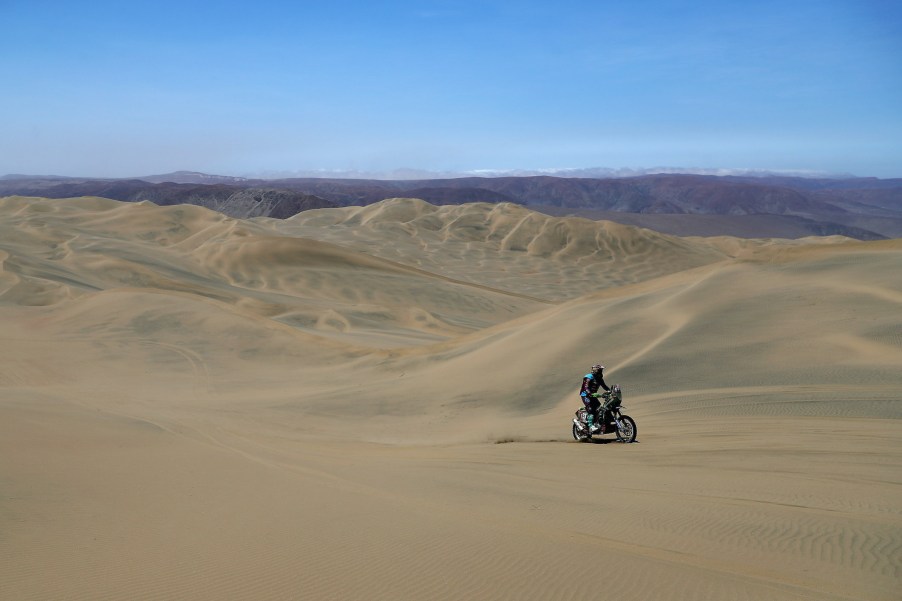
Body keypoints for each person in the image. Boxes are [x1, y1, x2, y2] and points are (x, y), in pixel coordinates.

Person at [580, 363, 611, 433]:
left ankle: (598, 423)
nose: (601, 372)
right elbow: (586, 386)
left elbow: (604, 386)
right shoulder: (588, 377)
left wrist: (610, 391)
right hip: (585, 395)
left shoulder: (599, 378)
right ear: (595, 371)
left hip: (593, 395)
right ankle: (591, 426)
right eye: (599, 370)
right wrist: (589, 393)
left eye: (601, 370)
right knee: (591, 409)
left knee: (599, 408)